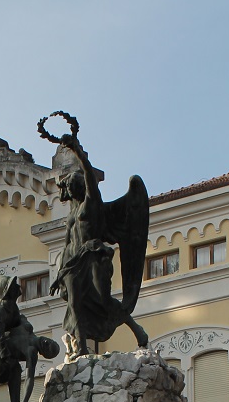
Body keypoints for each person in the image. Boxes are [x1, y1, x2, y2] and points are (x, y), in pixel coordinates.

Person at [40, 112, 149, 355]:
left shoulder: (92, 204)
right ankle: (81, 349)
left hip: (95, 257)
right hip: (74, 263)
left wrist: (77, 151)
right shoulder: (72, 213)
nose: (66, 189)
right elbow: (68, 245)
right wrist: (59, 274)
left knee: (103, 302)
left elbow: (89, 176)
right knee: (76, 305)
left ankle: (137, 330)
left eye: (69, 184)